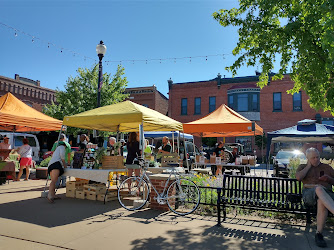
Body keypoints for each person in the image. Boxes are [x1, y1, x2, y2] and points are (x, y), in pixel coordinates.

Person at [296, 147, 334, 248]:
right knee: (319, 189)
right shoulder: (302, 167)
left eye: (318, 157)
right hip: (309, 195)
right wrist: (309, 166)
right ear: (308, 158)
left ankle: (319, 234)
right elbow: (299, 177)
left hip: (327, 195)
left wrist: (329, 179)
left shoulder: (327, 167)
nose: (316, 159)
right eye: (313, 158)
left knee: (321, 201)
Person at [47, 139, 68, 203]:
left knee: (53, 180)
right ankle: (50, 195)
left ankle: (53, 194)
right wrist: (65, 165)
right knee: (54, 181)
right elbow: (62, 157)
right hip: (56, 165)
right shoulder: (62, 147)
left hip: (51, 165)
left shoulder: (57, 149)